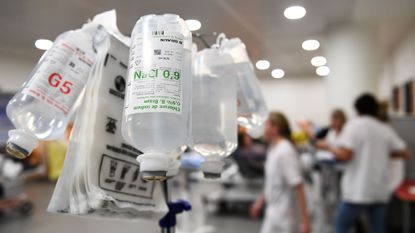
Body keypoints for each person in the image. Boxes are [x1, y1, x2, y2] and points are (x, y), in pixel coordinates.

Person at [319, 94, 410, 233]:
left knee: (341, 226)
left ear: (357, 109)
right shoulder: (384, 128)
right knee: (377, 228)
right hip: (379, 189)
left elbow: (345, 155)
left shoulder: (355, 125)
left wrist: (328, 147)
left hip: (357, 190)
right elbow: (405, 152)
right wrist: (382, 152)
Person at [250, 112, 311, 233]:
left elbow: (298, 186)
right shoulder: (273, 148)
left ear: (275, 128)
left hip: (286, 215)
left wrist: (305, 222)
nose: (263, 128)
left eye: (266, 124)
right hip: (273, 212)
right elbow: (271, 181)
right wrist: (259, 202)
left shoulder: (285, 151)